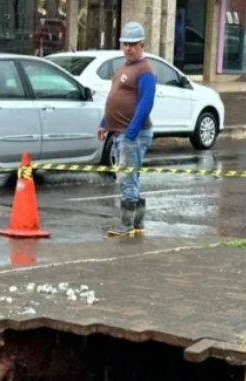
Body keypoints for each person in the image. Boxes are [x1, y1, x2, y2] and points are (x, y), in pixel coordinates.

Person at [97, 21, 156, 237]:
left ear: (142, 45)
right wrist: (105, 123)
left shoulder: (145, 70)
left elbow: (145, 104)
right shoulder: (125, 67)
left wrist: (131, 132)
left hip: (134, 133)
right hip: (120, 131)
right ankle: (137, 222)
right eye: (125, 44)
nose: (128, 48)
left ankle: (127, 224)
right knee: (130, 177)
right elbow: (116, 98)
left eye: (133, 44)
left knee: (126, 177)